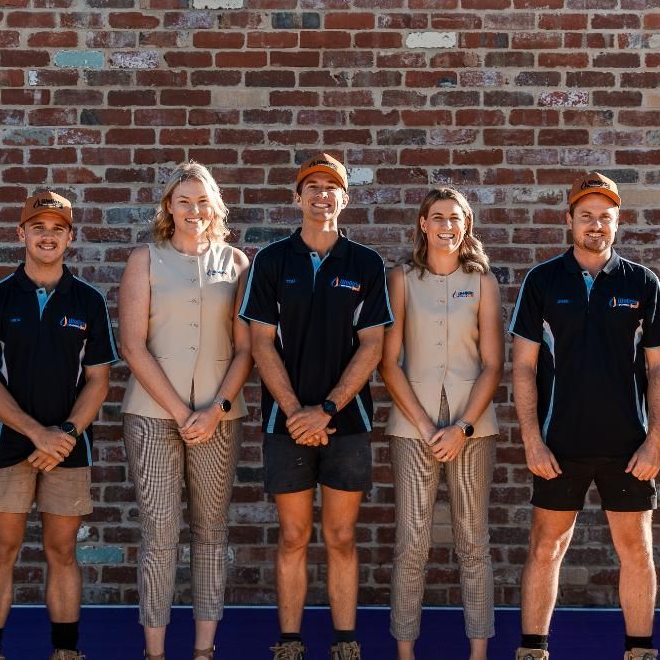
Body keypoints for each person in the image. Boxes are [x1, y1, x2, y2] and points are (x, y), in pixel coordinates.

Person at [510, 172, 660, 660]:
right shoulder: (542, 281)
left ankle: (640, 650)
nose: (595, 225)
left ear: (618, 222)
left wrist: (656, 441)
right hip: (559, 444)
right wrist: (531, 440)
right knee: (546, 549)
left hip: (629, 446)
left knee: (637, 551)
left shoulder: (642, 282)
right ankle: (533, 650)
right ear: (569, 221)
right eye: (586, 216)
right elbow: (522, 366)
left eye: (605, 217)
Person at [239, 153, 393, 660]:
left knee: (342, 535)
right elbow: (261, 343)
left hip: (346, 423)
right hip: (285, 425)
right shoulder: (271, 261)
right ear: (297, 197)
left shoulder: (366, 264)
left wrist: (324, 409)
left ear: (344, 199)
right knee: (293, 534)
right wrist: (294, 412)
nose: (322, 195)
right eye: (312, 187)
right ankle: (289, 642)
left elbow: (372, 345)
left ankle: (345, 641)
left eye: (331, 187)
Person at [0, 192, 118, 660]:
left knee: (62, 552)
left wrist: (66, 435)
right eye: (38, 227)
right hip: (7, 448)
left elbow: (99, 380)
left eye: (57, 228)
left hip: (69, 448)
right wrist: (38, 434)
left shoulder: (88, 300)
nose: (47, 235)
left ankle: (65, 651)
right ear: (21, 234)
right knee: (0, 552)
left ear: (70, 237)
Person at [118, 162, 252, 660]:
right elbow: (132, 345)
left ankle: (203, 650)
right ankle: (155, 651)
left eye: (203, 201)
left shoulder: (237, 263)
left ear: (215, 207)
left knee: (211, 532)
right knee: (159, 532)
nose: (193, 210)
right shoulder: (145, 260)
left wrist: (214, 408)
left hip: (220, 417)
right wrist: (179, 410)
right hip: (153, 415)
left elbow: (245, 349)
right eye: (183, 201)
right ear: (168, 207)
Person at [379, 187, 502, 660]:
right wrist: (428, 427)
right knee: (412, 543)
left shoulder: (483, 282)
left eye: (456, 217)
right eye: (438, 217)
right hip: (413, 429)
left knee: (473, 541)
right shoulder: (403, 279)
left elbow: (493, 364)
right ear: (423, 225)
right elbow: (389, 364)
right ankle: (405, 652)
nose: (446, 226)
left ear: (466, 226)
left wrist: (463, 427)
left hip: (474, 429)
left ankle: (478, 652)